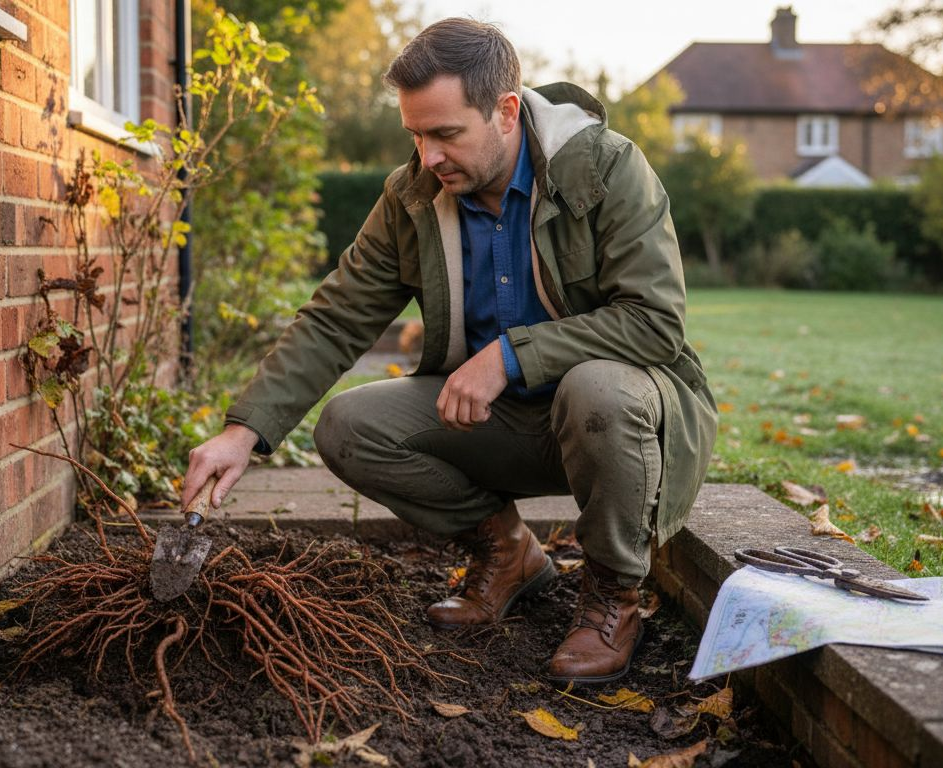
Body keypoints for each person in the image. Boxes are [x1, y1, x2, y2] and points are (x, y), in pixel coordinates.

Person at [182, 17, 718, 684]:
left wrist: (509, 357)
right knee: (349, 428)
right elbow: (336, 318)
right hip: (504, 427)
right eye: (414, 133)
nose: (427, 154)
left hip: (623, 424)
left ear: (506, 111)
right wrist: (244, 431)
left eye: (444, 133)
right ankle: (507, 552)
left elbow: (654, 322)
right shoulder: (412, 196)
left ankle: (613, 593)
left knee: (597, 391)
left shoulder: (606, 169)